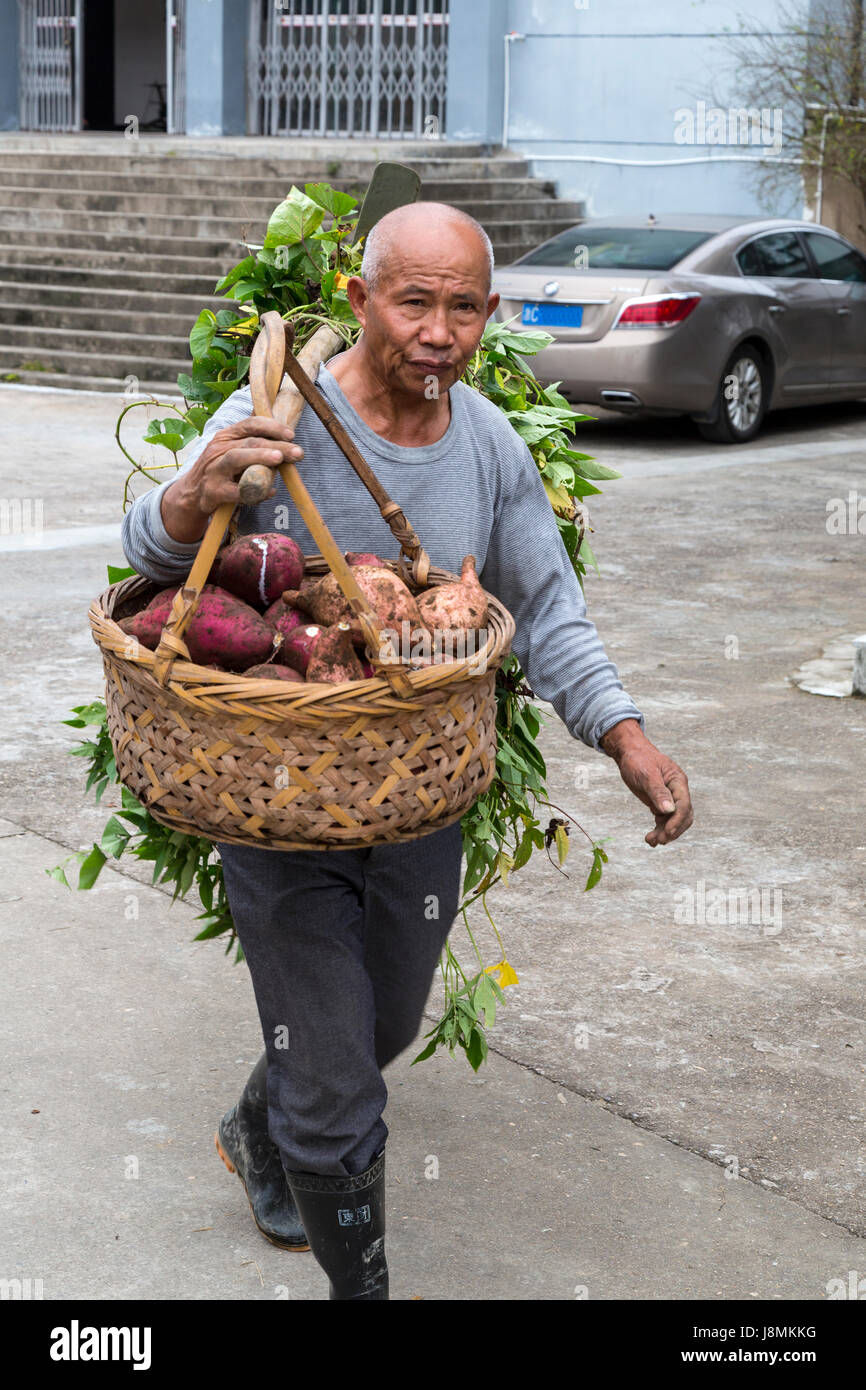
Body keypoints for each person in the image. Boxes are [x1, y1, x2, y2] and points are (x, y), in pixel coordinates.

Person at [121, 202, 693, 1300]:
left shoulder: (487, 444)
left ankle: (259, 1118)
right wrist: (196, 494)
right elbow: (150, 554)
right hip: (280, 795)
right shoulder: (281, 415)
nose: (438, 330)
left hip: (420, 803)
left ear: (488, 315)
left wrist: (621, 734)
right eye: (413, 300)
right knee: (339, 1090)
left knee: (379, 1020)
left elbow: (548, 607)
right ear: (359, 302)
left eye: (463, 305)